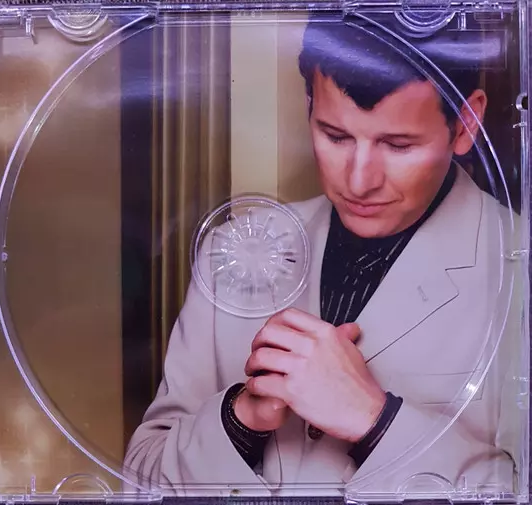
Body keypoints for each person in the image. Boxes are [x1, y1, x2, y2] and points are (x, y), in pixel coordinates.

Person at [123, 13, 522, 498]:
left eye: (398, 146)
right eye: (335, 136)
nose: (358, 181)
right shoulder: (231, 249)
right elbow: (139, 479)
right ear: (309, 104)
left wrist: (376, 422)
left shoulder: (519, 269)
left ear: (466, 124)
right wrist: (238, 420)